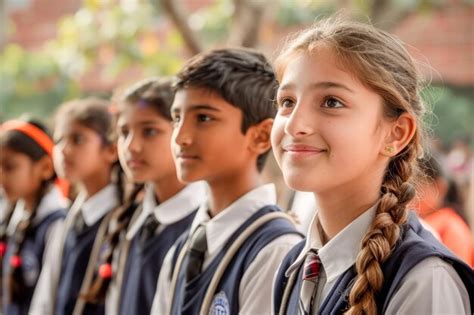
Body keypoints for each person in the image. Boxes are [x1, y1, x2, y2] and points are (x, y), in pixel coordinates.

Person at [271, 16, 473, 314]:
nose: (294, 124)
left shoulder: (423, 280)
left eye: (331, 102)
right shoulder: (293, 267)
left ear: (396, 133)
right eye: (287, 102)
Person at [151, 48, 303, 315]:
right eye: (177, 118)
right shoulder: (182, 248)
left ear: (260, 136)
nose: (180, 137)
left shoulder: (274, 250)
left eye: (204, 118)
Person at [80, 77, 206, 315]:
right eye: (124, 132)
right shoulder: (129, 220)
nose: (131, 146)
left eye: (149, 131)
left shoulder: (202, 223)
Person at [29, 98, 122, 315]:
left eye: (78, 139)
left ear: (110, 150)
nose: (64, 150)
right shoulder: (72, 217)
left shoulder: (123, 220)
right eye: (59, 140)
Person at [0, 119, 68, 315]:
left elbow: (46, 302)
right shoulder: (12, 216)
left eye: (10, 167)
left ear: (46, 168)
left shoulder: (56, 223)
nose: (2, 177)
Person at [415, 155, 474, 266]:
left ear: (439, 187)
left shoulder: (451, 228)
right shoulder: (427, 222)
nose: (410, 194)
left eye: (417, 186)